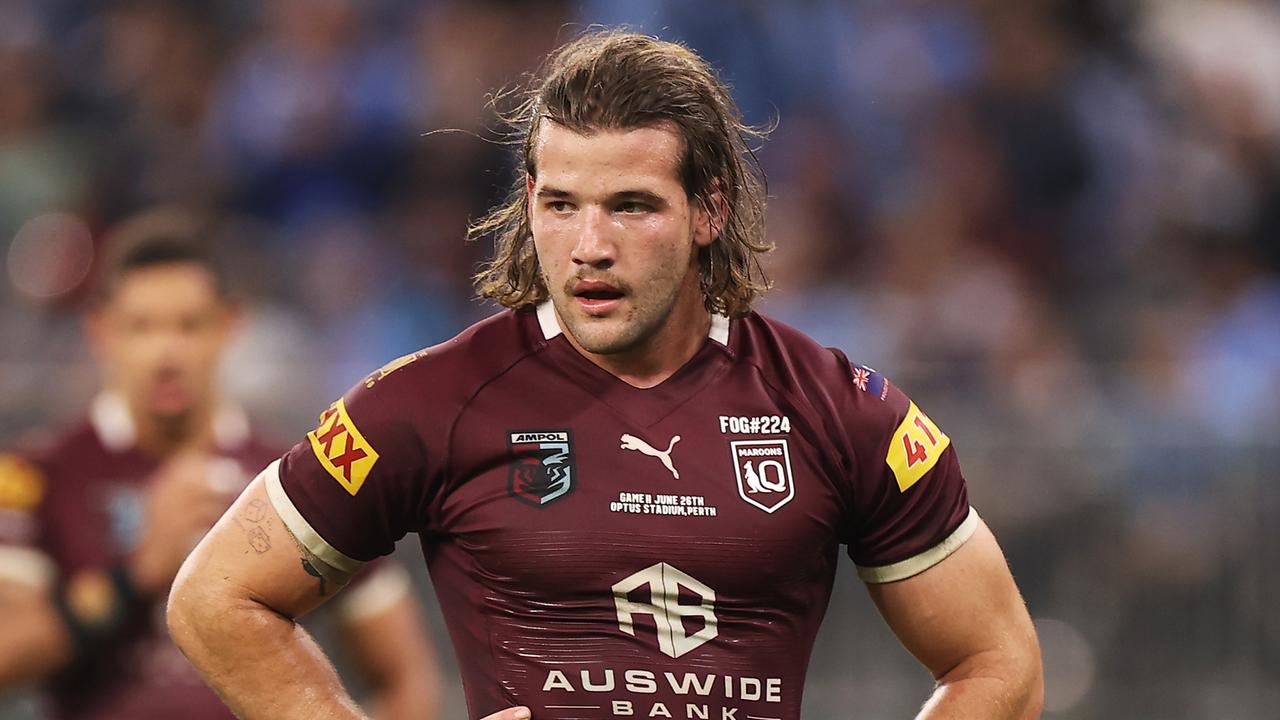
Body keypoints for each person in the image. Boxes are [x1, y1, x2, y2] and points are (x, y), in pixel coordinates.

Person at [168, 30, 1043, 720]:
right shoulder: (426, 404)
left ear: (709, 210)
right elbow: (217, 599)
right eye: (560, 205)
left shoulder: (840, 412)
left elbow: (999, 660)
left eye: (631, 206)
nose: (590, 247)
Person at [0, 209, 442, 720]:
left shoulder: (298, 476)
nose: (166, 352)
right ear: (100, 332)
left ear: (229, 326)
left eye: (188, 325)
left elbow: (405, 675)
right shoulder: (40, 475)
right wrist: (134, 574)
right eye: (142, 327)